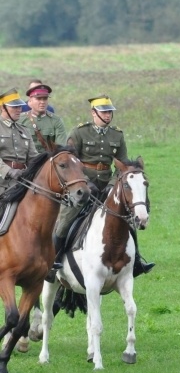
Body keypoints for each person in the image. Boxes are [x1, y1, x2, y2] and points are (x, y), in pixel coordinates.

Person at [52, 95, 155, 276]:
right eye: (104, 112)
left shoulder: (117, 135)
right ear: (94, 113)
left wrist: (112, 184)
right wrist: (86, 182)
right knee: (66, 220)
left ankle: (136, 260)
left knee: (127, 220)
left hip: (107, 187)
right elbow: (70, 161)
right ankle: (54, 260)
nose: (108, 115)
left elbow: (124, 166)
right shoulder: (79, 133)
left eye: (110, 112)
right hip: (82, 187)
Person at [0, 88, 39, 353]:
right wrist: (10, 173)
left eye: (18, 108)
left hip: (23, 185)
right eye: (13, 107)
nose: (17, 110)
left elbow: (35, 157)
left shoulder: (25, 131)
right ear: (2, 109)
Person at [18, 83, 67, 152]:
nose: (42, 102)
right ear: (30, 100)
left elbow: (61, 148)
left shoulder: (56, 121)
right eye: (38, 99)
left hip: (49, 160)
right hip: (26, 160)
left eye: (45, 99)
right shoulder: (20, 120)